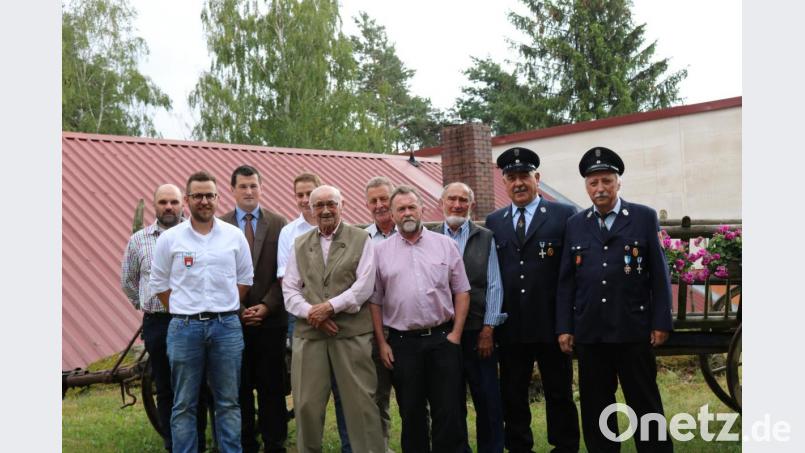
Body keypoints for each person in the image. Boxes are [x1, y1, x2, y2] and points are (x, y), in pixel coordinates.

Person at [556, 146, 673, 452]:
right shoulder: (575, 224)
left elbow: (660, 275)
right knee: (596, 407)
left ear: (618, 183)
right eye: (593, 183)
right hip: (591, 332)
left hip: (633, 329)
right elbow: (567, 280)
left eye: (606, 181)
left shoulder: (643, 217)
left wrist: (661, 321)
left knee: (645, 403)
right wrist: (564, 327)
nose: (600, 188)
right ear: (586, 187)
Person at [150, 171, 254, 453]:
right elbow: (159, 283)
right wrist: (184, 311)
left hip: (226, 327)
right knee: (184, 403)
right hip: (185, 329)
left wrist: (224, 305)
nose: (204, 201)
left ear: (218, 198)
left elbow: (244, 280)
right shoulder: (170, 239)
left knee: (228, 402)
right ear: (187, 200)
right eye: (198, 196)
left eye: (209, 195)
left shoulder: (234, 237)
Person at [485, 147, 580, 453]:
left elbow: (571, 275)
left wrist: (568, 323)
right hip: (512, 326)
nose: (518, 183)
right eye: (511, 178)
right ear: (504, 183)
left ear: (537, 178)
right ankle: (519, 446)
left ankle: (564, 446)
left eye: (524, 176)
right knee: (512, 393)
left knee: (559, 392)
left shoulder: (563, 215)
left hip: (552, 325)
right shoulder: (495, 221)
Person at [282, 185, 385, 453]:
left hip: (350, 334)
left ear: (342, 205)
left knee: (361, 405)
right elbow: (290, 288)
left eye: (331, 204)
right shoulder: (300, 243)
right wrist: (311, 314)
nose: (325, 210)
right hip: (310, 336)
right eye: (319, 205)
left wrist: (330, 307)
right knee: (305, 405)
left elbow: (364, 286)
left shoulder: (362, 239)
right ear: (311, 209)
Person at [371, 185, 471, 453]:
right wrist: (382, 343)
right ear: (391, 215)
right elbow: (375, 301)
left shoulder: (446, 246)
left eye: (411, 207)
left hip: (443, 339)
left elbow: (462, 291)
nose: (407, 213)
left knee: (448, 411)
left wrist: (456, 335)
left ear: (422, 209)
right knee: (411, 412)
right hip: (404, 344)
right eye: (400, 209)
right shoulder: (379, 252)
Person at [120, 183, 209, 452]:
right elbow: (128, 281)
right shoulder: (139, 240)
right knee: (166, 386)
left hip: (194, 320)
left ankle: (199, 444)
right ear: (155, 205)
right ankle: (174, 445)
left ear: (182, 203)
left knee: (198, 386)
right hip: (159, 323)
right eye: (162, 202)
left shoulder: (198, 234)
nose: (168, 207)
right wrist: (146, 304)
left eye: (173, 201)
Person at [276, 172, 352, 452]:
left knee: (346, 390)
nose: (306, 200)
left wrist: (331, 309)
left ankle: (350, 446)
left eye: (311, 194)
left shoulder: (348, 233)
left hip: (343, 321)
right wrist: (316, 314)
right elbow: (288, 280)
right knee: (308, 395)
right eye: (300, 195)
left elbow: (351, 280)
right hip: (304, 322)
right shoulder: (289, 234)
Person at [430, 182, 506, 453]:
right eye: (452, 199)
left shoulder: (484, 237)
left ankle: (492, 449)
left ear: (471, 205)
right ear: (442, 202)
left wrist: (489, 329)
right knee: (450, 400)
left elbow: (494, 284)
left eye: (463, 200)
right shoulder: (429, 236)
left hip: (477, 332)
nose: (457, 205)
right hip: (442, 333)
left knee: (487, 398)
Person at [221, 165, 289, 453]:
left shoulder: (279, 223)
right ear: (232, 190)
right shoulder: (219, 225)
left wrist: (265, 306)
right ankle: (247, 444)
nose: (249, 191)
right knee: (240, 390)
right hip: (232, 322)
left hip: (271, 321)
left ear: (261, 189)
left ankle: (275, 445)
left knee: (272, 390)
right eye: (243, 186)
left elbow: (286, 273)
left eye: (254, 186)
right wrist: (240, 309)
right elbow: (218, 275)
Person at [362, 176, 396, 452]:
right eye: (374, 200)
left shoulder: (411, 231)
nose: (380, 205)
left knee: (416, 399)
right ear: (366, 205)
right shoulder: (361, 239)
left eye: (384, 198)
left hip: (409, 329)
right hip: (375, 331)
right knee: (376, 398)